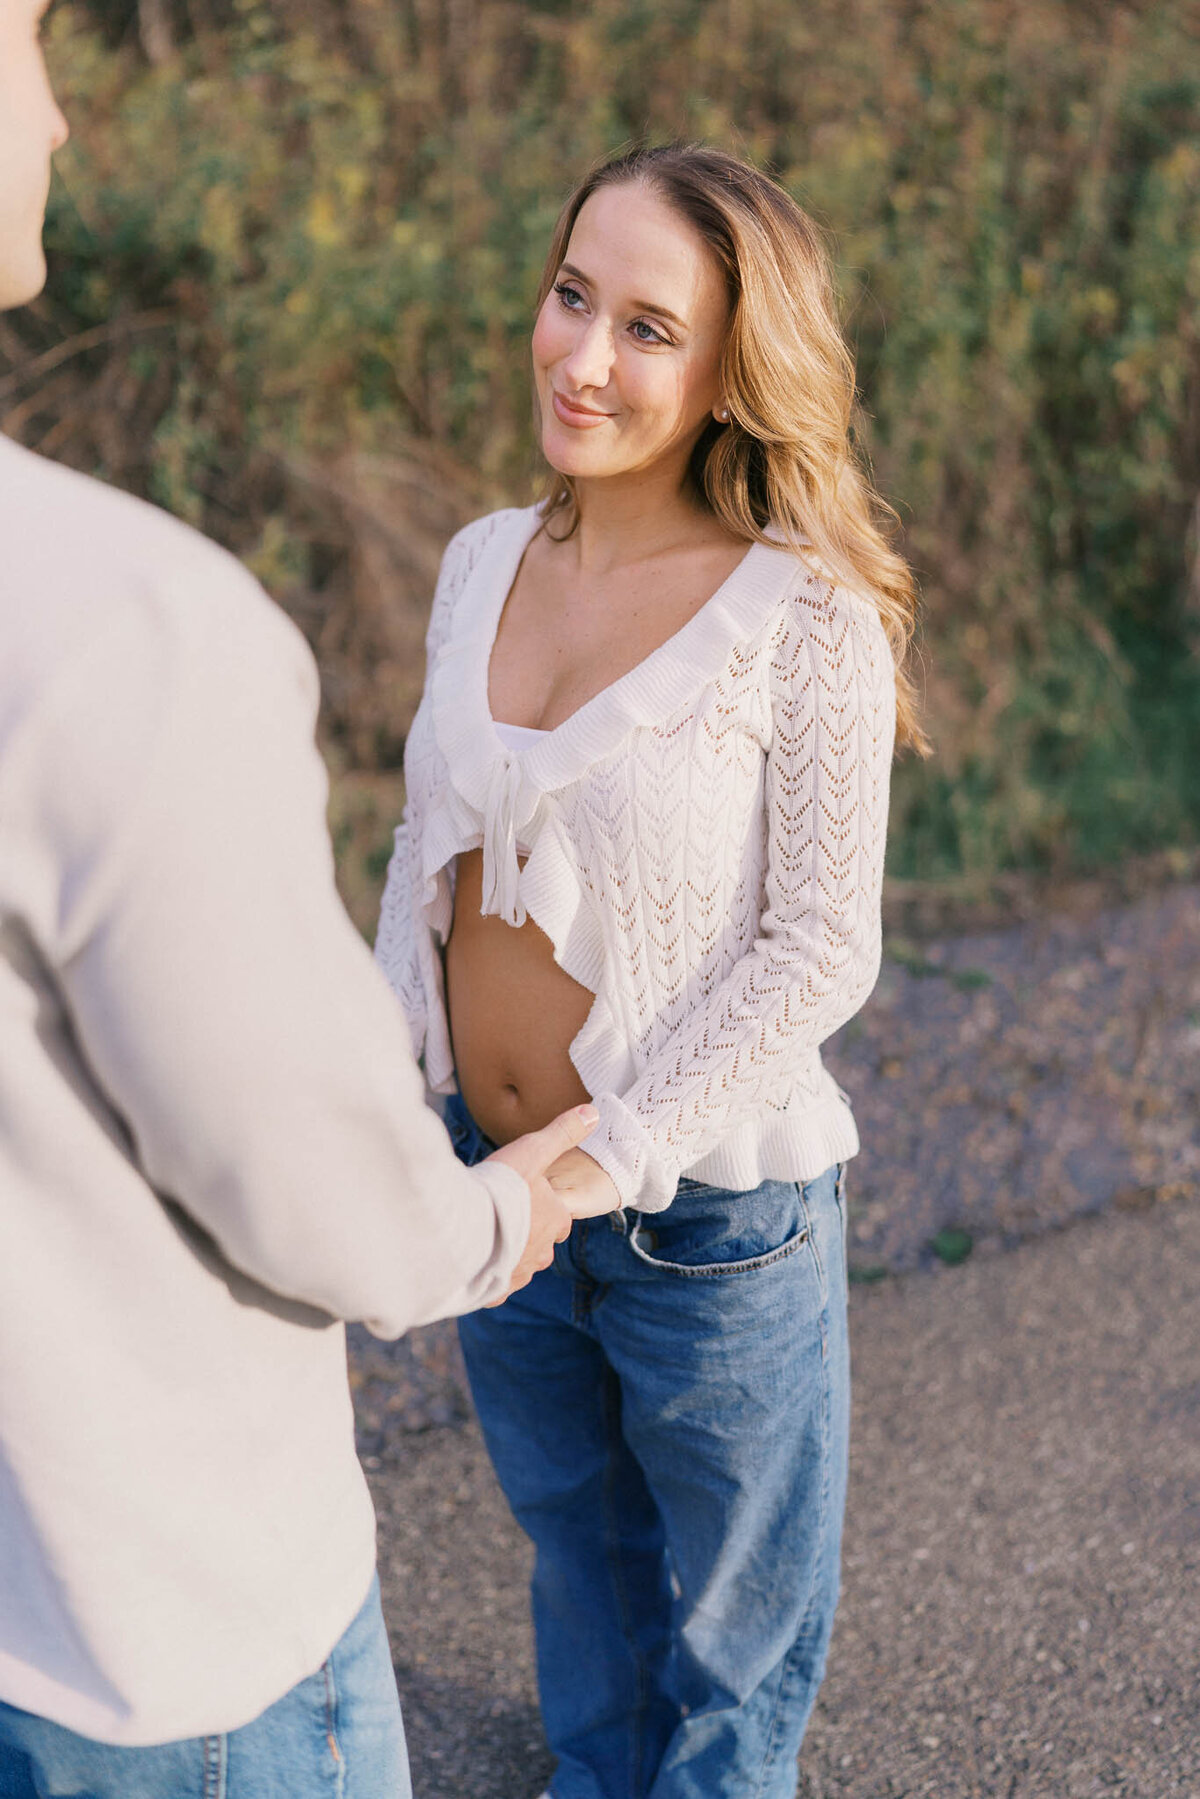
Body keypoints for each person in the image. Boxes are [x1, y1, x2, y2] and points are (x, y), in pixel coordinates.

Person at [0, 4, 613, 1795]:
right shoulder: (120, 636)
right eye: (29, 39)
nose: (62, 120)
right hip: (142, 1645)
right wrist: (484, 1218)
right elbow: (305, 1175)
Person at [375, 142, 925, 1799]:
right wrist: (397, 1101)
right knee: (577, 1550)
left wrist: (604, 1155)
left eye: (648, 328)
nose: (584, 357)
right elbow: (422, 857)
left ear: (734, 370)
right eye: (571, 295)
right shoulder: (482, 560)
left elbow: (821, 947)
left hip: (705, 1220)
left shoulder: (807, 620)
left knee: (741, 1622)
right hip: (492, 1188)